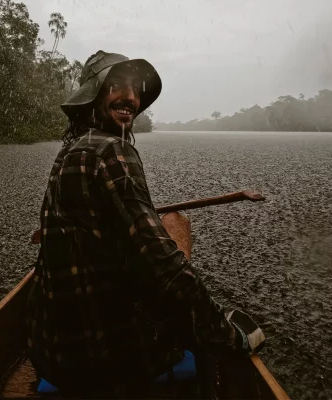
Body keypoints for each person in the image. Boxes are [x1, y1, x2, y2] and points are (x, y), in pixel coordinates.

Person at [26, 50, 264, 397]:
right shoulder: (111, 151)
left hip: (54, 360)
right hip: (107, 365)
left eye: (135, 88)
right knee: (176, 230)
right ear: (93, 95)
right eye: (117, 85)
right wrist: (227, 336)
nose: (131, 97)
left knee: (168, 222)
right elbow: (164, 269)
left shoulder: (72, 149)